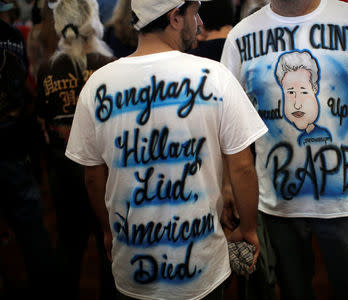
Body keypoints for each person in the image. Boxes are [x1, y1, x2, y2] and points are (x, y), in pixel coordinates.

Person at [65, 0, 268, 299]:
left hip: (133, 267)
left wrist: (109, 231)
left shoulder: (99, 85)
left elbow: (93, 177)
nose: (199, 22)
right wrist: (249, 227)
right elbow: (242, 166)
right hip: (202, 270)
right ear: (175, 17)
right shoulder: (215, 76)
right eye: (194, 13)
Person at [221, 0, 348, 299]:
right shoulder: (241, 37)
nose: (296, 100)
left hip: (345, 201)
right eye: (290, 92)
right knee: (293, 293)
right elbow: (226, 118)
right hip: (276, 203)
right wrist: (227, 183)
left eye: (303, 92)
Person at [35, 0, 116, 299]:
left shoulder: (47, 68)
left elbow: (43, 121)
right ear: (92, 20)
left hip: (63, 171)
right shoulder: (107, 66)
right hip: (104, 172)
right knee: (109, 245)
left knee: (68, 244)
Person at [0, 12, 56, 298]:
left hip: (13, 142)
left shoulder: (15, 35)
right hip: (12, 141)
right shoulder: (11, 36)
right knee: (31, 225)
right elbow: (21, 84)